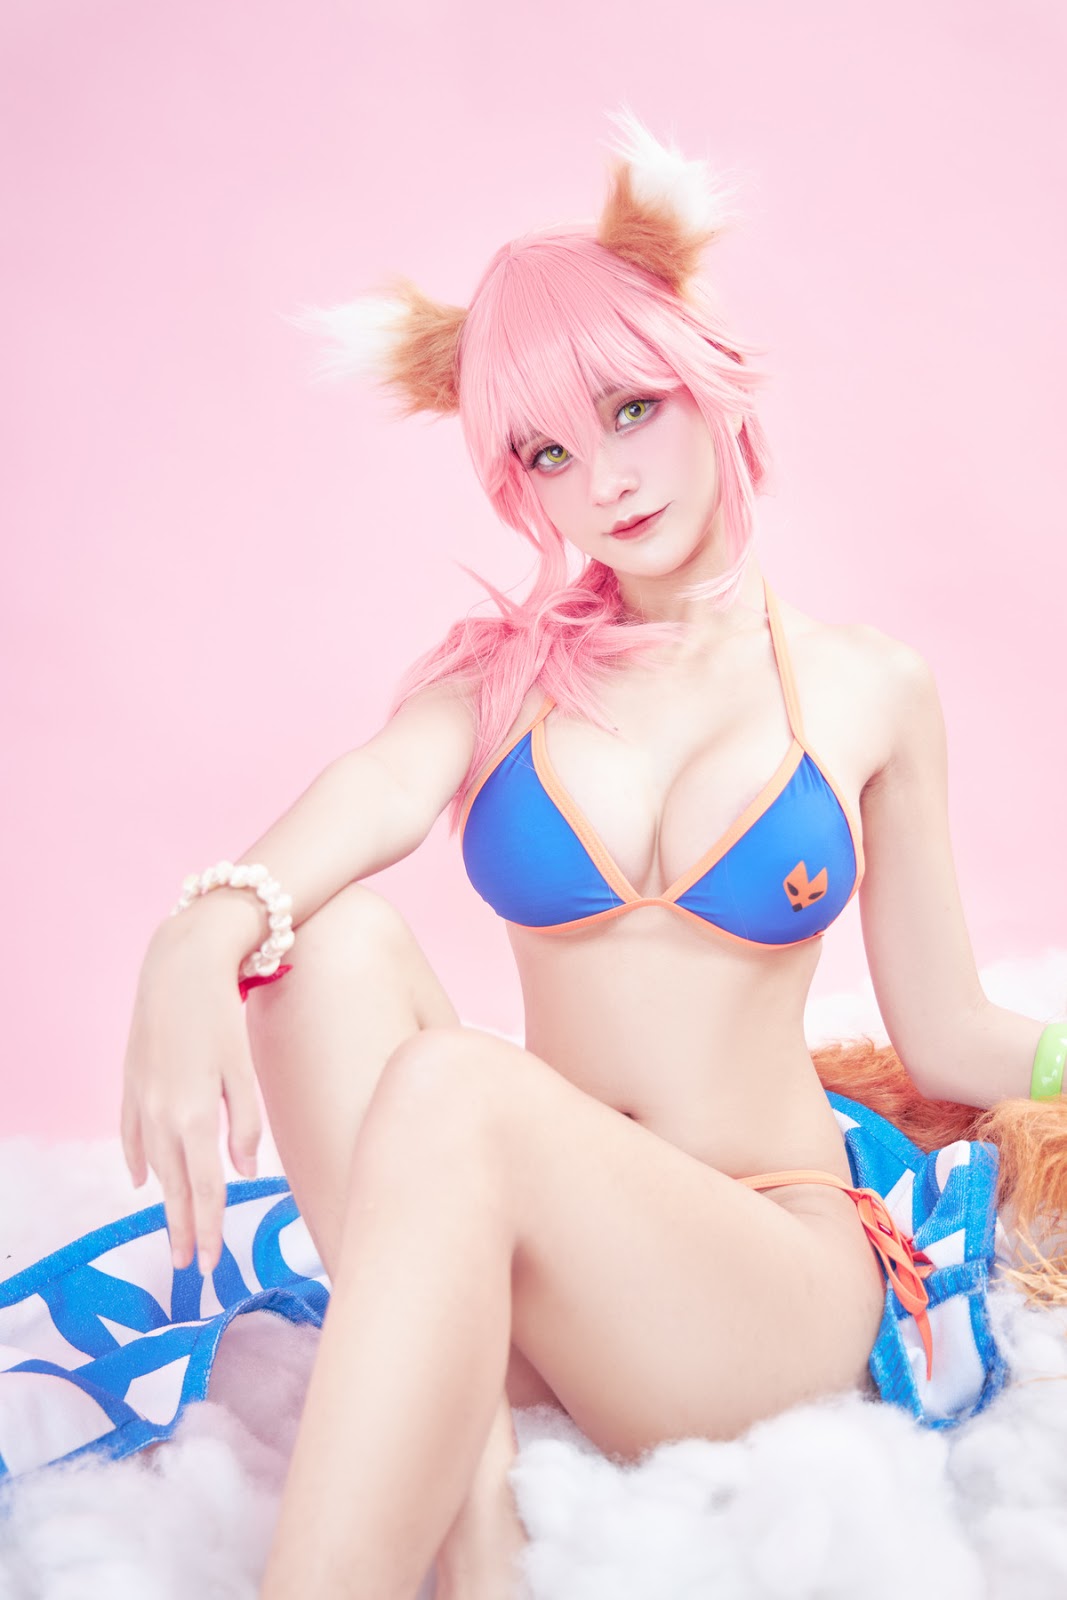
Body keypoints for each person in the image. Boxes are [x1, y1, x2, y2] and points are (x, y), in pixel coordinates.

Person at [3, 110, 1065, 1600]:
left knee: (460, 1086)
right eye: (550, 451)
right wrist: (200, 932)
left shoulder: (869, 687)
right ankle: (476, 1504)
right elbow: (369, 794)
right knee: (320, 944)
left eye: (632, 409)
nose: (604, 481)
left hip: (762, 1274)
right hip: (537, 1281)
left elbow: (944, 1027)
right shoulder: (503, 680)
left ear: (704, 380)